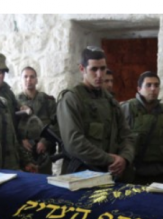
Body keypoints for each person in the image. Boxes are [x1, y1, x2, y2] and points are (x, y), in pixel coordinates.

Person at [56, 46, 134, 181]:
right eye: (94, 69)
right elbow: (74, 142)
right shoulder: (72, 99)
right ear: (82, 69)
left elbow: (127, 135)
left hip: (109, 175)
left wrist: (124, 158)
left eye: (103, 69)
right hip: (80, 175)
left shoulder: (110, 101)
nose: (99, 75)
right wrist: (109, 159)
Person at [121, 71, 163, 185]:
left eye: (156, 85)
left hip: (160, 174)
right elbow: (118, 140)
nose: (153, 89)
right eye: (148, 85)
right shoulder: (126, 109)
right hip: (133, 174)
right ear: (139, 88)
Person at [17, 66, 59, 174]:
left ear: (36, 80)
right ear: (21, 80)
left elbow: (57, 124)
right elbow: (11, 127)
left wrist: (45, 141)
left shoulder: (48, 101)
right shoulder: (15, 103)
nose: (28, 79)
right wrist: (21, 139)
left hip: (44, 152)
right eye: (25, 77)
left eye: (32, 77)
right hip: (24, 153)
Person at [0, 51, 22, 124]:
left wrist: (23, 108)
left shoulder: (6, 91)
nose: (1, 76)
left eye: (3, 72)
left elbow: (17, 107)